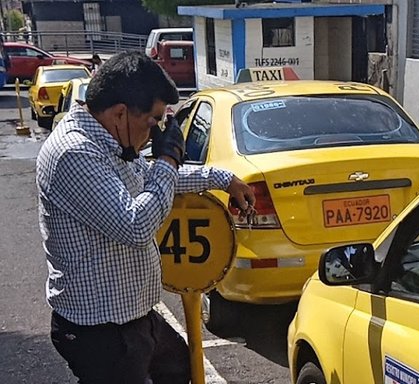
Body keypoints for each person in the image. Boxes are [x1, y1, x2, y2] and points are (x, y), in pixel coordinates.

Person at [36, 51, 255, 383]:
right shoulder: (75, 153)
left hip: (132, 316)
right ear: (120, 113)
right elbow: (136, 225)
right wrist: (169, 160)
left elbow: (149, 179)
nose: (155, 134)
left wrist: (222, 179)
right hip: (101, 329)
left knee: (181, 368)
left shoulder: (111, 144)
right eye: (152, 121)